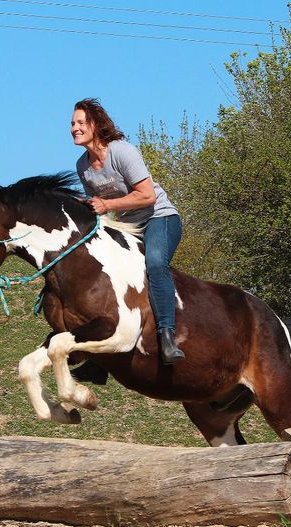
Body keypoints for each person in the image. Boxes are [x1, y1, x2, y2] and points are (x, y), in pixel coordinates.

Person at [70, 98, 185, 364]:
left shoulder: (122, 152)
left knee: (155, 264)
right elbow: (99, 208)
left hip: (160, 218)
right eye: (72, 124)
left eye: (80, 122)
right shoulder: (82, 166)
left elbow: (147, 197)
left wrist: (106, 204)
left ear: (96, 124)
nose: (74, 128)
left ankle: (167, 338)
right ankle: (98, 356)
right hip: (127, 224)